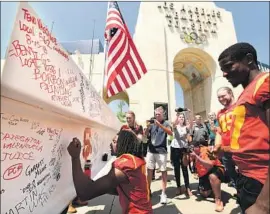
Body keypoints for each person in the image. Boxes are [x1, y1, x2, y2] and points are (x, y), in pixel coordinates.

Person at [218, 42, 269, 213]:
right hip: (247, 177)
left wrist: (263, 203)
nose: (224, 74)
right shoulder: (247, 91)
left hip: (261, 180)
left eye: (228, 66)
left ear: (248, 60)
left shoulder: (265, 83)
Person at [67, 129, 153, 214]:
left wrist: (75, 157)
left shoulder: (125, 166)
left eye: (115, 142)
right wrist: (94, 184)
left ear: (124, 144)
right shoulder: (135, 161)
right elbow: (117, 189)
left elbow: (84, 194)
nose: (111, 144)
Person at [145, 106, 173, 204]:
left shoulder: (166, 123)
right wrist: (147, 128)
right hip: (151, 150)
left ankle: (163, 193)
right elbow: (145, 136)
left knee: (163, 171)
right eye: (156, 114)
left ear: (163, 114)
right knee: (149, 171)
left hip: (161, 151)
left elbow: (170, 133)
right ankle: (148, 191)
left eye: (159, 114)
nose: (157, 116)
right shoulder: (152, 123)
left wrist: (160, 125)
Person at [214, 87, 238, 189]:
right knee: (232, 174)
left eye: (223, 96)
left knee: (246, 174)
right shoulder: (219, 113)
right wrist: (216, 147)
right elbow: (219, 131)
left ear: (231, 94)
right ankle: (240, 194)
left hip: (240, 148)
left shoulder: (240, 106)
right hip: (226, 149)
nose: (221, 99)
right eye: (219, 97)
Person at [190, 146, 225, 212]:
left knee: (212, 176)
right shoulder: (191, 153)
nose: (194, 149)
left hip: (215, 169)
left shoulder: (206, 150)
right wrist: (186, 155)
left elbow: (210, 166)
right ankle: (213, 188)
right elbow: (185, 163)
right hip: (203, 174)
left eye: (196, 147)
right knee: (205, 194)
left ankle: (218, 200)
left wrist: (197, 157)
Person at [171, 112, 193, 197]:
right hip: (175, 148)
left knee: (184, 168)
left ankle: (187, 187)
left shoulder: (186, 127)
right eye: (180, 117)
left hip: (183, 149)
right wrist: (177, 114)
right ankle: (178, 186)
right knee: (176, 168)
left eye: (182, 117)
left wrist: (189, 113)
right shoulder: (175, 127)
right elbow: (173, 123)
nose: (181, 118)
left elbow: (191, 123)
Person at [190, 114, 210, 179]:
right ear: (195, 120)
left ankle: (203, 172)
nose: (198, 119)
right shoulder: (193, 127)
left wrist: (208, 143)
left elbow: (207, 135)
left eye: (199, 118)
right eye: (197, 118)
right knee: (196, 160)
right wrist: (191, 144)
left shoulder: (204, 127)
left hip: (203, 145)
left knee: (203, 159)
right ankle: (195, 172)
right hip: (196, 145)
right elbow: (190, 135)